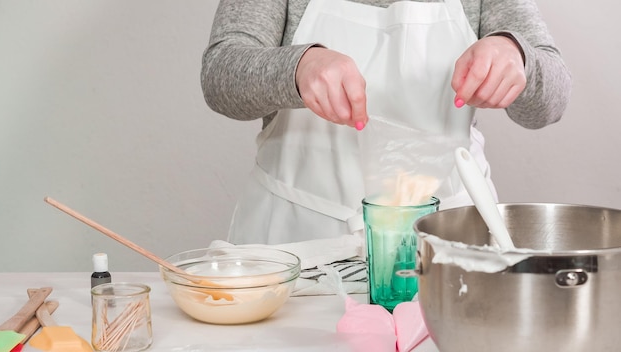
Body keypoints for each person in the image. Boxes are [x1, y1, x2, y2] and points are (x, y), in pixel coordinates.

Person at [201, 0, 571, 245]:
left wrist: (516, 54)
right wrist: (298, 67)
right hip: (293, 247)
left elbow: (549, 102)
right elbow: (220, 74)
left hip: (444, 251)